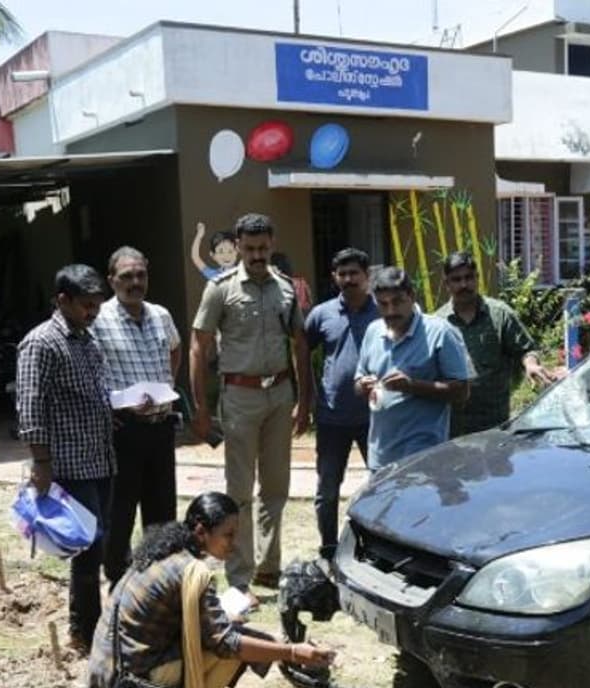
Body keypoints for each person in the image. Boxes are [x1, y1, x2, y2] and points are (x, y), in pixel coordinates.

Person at [79, 492, 335, 688]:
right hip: (133, 683)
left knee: (236, 626)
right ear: (201, 532)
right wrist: (291, 652)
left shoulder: (163, 553)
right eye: (228, 535)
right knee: (234, 650)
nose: (233, 544)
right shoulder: (191, 571)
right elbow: (227, 644)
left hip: (107, 672)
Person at [189, 213, 313, 591]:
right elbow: (199, 346)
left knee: (276, 488)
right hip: (239, 397)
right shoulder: (220, 289)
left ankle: (269, 568)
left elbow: (300, 345)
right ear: (238, 247)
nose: (257, 255)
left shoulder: (287, 289)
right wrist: (201, 408)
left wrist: (304, 400)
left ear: (272, 244)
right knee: (239, 491)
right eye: (250, 248)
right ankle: (239, 578)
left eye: (263, 248)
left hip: (279, 395)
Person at [16, 264, 114, 651]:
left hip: (100, 458)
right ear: (63, 301)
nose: (93, 312)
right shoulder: (41, 343)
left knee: (98, 545)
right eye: (86, 305)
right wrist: (41, 463)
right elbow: (30, 405)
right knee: (86, 547)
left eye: (97, 305)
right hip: (69, 464)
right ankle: (83, 631)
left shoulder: (86, 339)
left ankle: (91, 624)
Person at [91, 246, 182, 588]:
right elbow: (88, 368)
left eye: (140, 275)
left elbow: (175, 348)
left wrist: (167, 384)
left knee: (162, 512)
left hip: (160, 428)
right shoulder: (98, 319)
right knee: (120, 511)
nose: (135, 282)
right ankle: (117, 580)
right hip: (121, 430)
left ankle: (157, 581)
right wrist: (109, 407)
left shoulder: (160, 314)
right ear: (112, 280)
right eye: (126, 276)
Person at [355, 266, 471, 473]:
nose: (390, 311)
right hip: (380, 458)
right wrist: (362, 386)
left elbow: (462, 391)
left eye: (397, 302)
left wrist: (412, 386)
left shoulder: (439, 332)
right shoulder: (373, 331)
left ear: (411, 296)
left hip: (424, 458)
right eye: (383, 304)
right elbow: (358, 381)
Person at [304, 248, 377, 559]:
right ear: (334, 277)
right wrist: (307, 394)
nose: (348, 279)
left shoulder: (383, 311)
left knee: (379, 483)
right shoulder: (321, 314)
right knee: (328, 488)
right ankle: (329, 547)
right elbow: (300, 352)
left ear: (366, 276)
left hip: (376, 415)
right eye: (342, 274)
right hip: (332, 415)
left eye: (354, 274)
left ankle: (374, 545)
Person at [436, 251, 553, 437]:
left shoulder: (500, 314)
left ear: (477, 278)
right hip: (453, 429)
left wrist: (531, 364)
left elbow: (526, 349)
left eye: (469, 277)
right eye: (456, 279)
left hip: (496, 425)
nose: (463, 284)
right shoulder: (438, 323)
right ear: (446, 283)